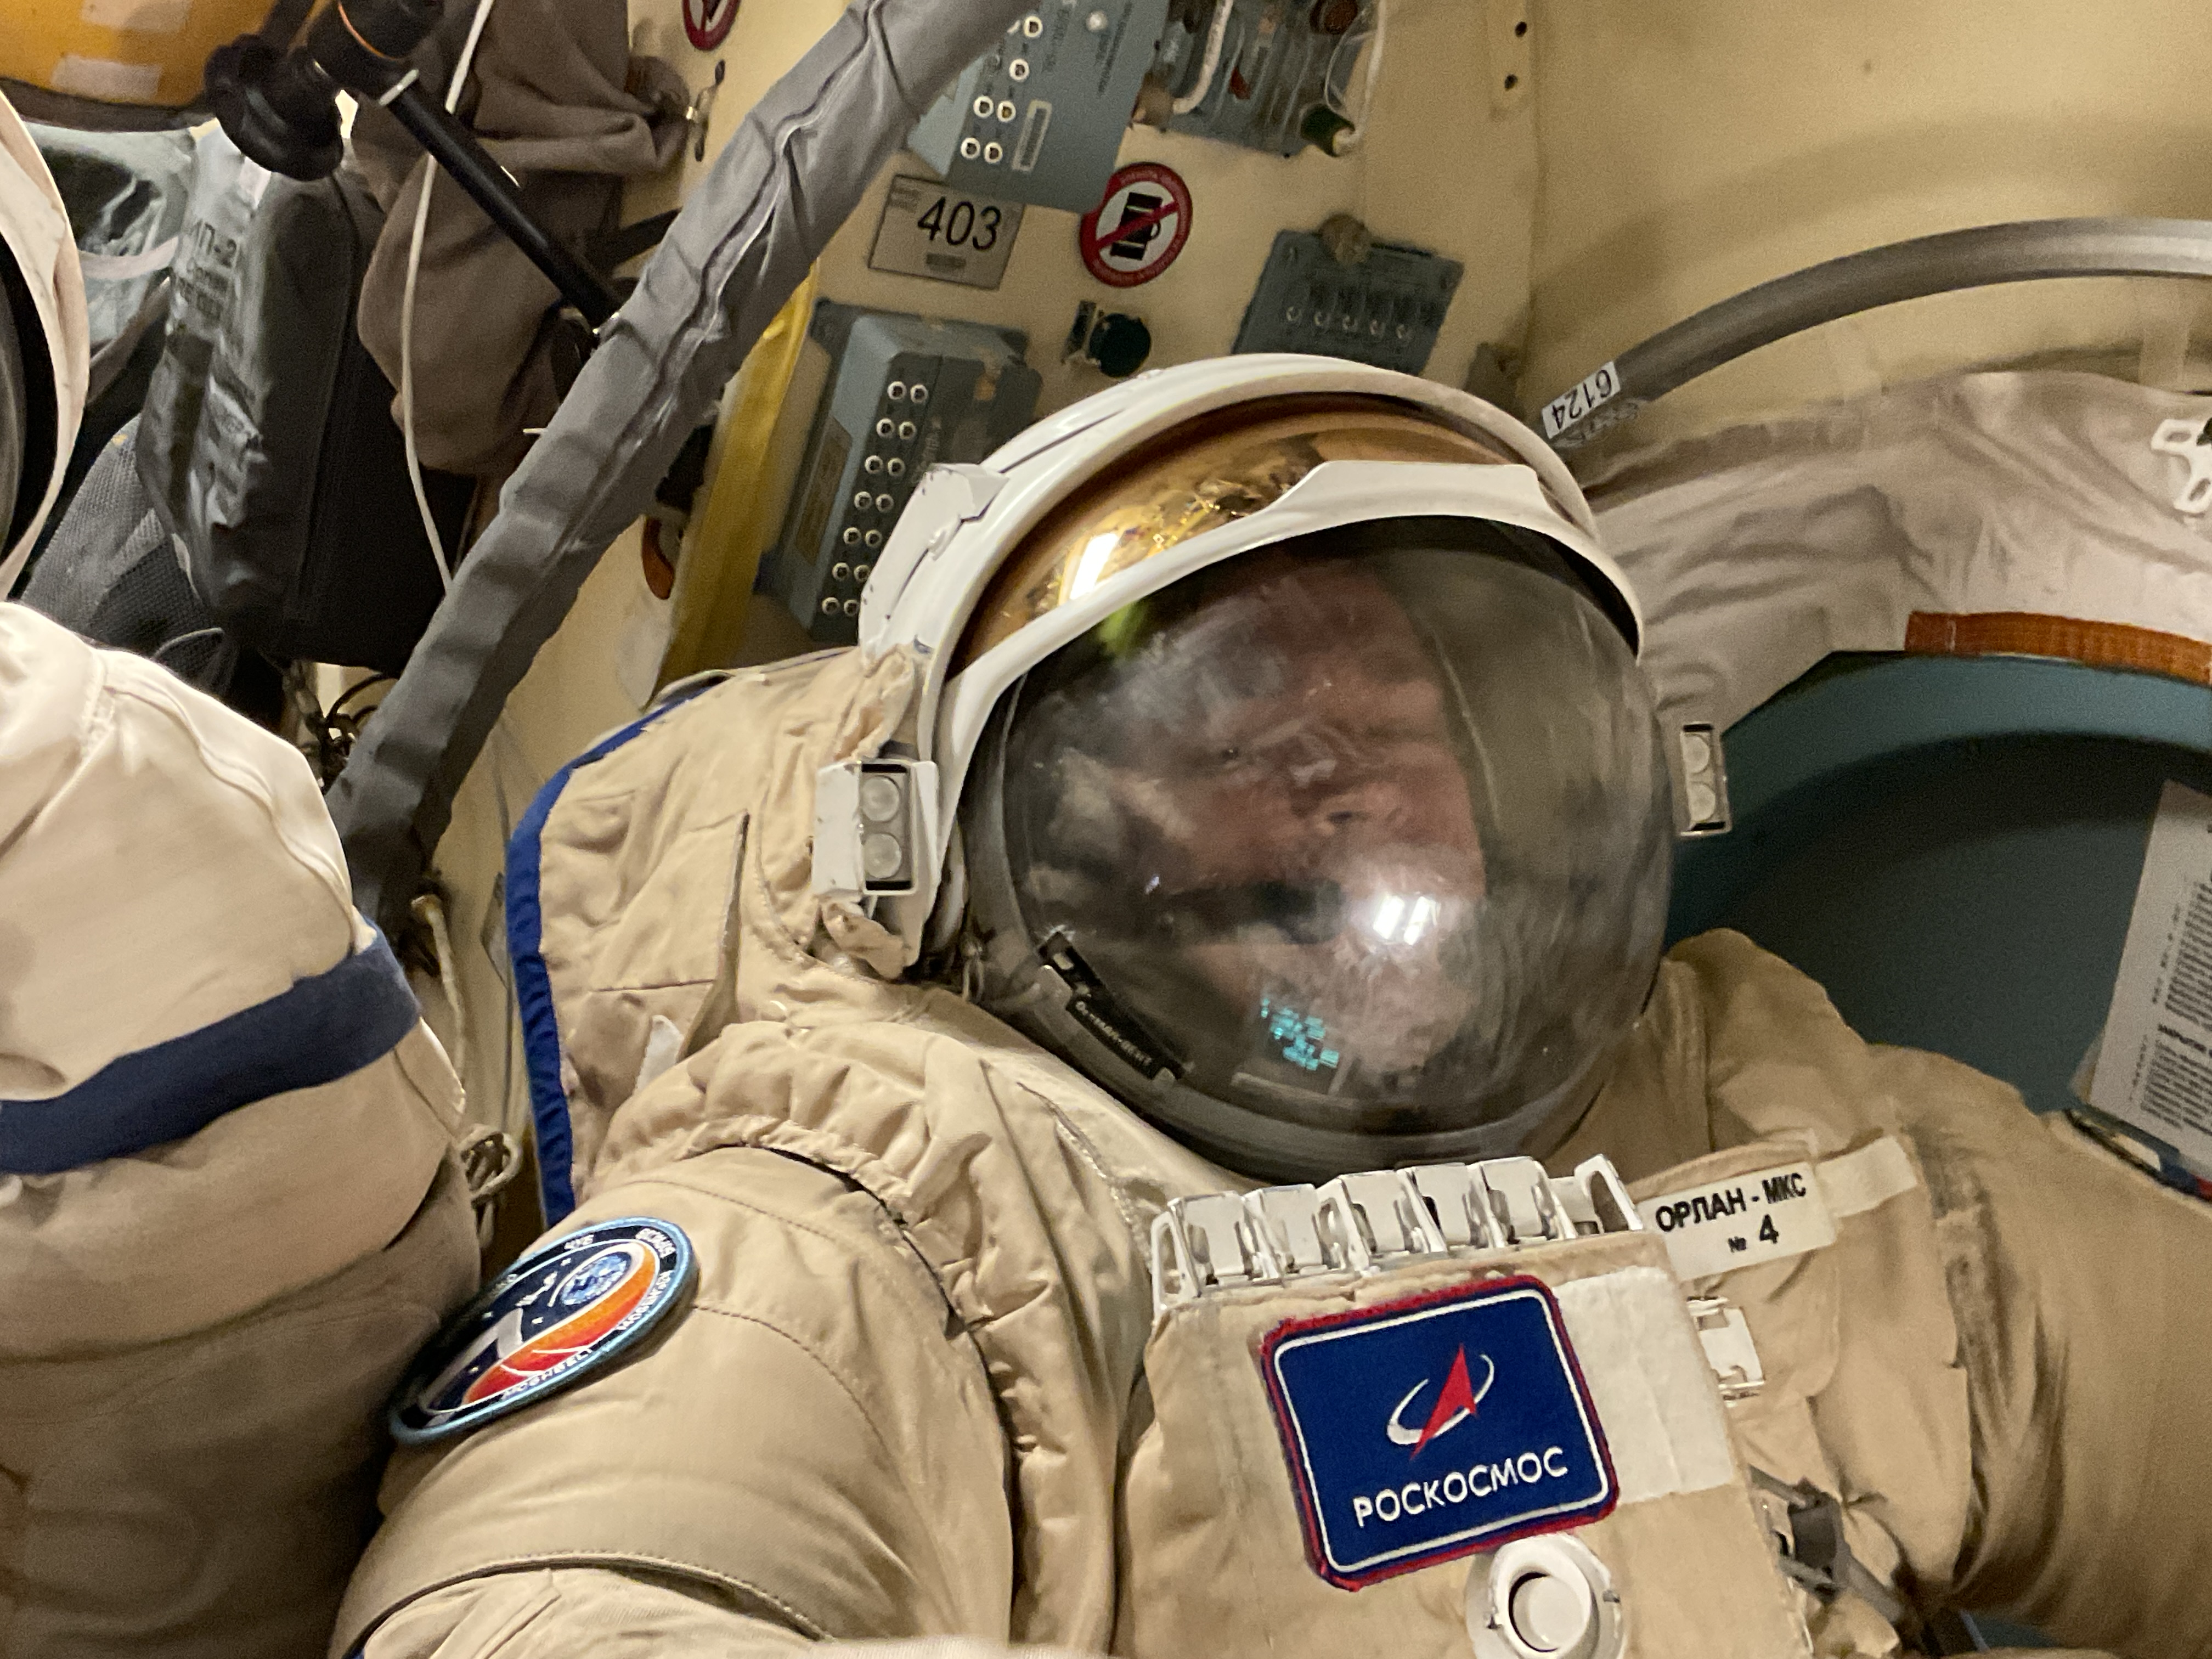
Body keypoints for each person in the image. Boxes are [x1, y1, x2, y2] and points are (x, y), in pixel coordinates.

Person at [337, 357, 2212, 1659]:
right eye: (1246, 735)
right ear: (994, 843)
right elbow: (575, 1592)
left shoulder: (1772, 1112)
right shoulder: (867, 1203)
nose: (1357, 795)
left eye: (1403, 722)